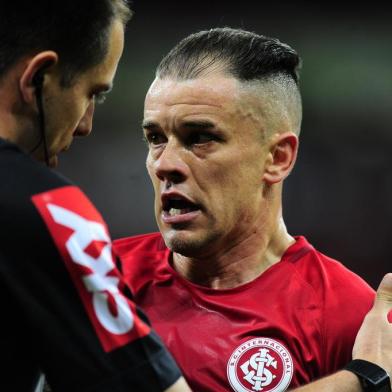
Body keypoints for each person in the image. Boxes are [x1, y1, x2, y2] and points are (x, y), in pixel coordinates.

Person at [113, 27, 391, 391]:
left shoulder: (345, 316)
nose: (165, 164)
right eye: (156, 139)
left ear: (277, 158)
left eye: (200, 138)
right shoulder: (103, 282)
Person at [0, 1, 191, 391]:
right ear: (38, 76)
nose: (86, 124)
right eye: (92, 93)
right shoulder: (45, 210)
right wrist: (350, 378)